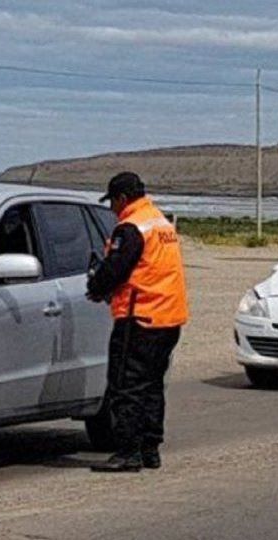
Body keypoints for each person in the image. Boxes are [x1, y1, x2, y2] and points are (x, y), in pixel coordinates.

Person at [86, 172, 189, 472]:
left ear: (122, 198)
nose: (112, 209)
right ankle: (149, 449)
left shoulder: (131, 227)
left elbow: (115, 269)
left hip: (140, 318)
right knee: (152, 385)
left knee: (126, 386)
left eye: (113, 202)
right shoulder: (160, 222)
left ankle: (128, 452)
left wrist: (95, 287)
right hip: (168, 318)